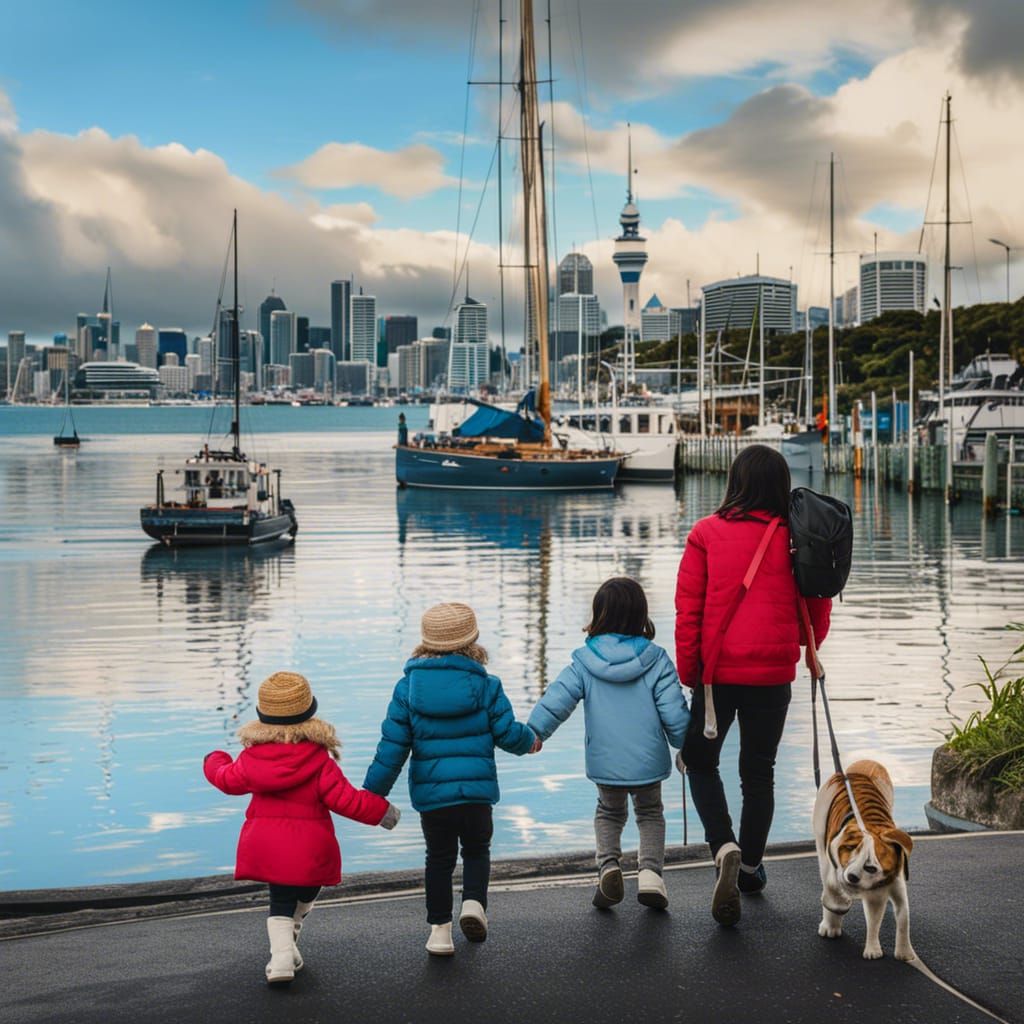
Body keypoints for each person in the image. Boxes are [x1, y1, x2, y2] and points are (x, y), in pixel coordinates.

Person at [675, 444, 830, 928]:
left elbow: (689, 612)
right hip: (773, 674)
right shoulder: (796, 538)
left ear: (735, 481)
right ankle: (748, 868)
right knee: (759, 771)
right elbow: (817, 609)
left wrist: (689, 672)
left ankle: (722, 844)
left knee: (700, 762)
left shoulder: (706, 533)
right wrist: (804, 649)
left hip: (717, 675)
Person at [363, 602, 539, 956]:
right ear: (473, 641)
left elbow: (392, 747)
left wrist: (372, 793)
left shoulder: (407, 689)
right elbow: (506, 733)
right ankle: (473, 903)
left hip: (433, 799)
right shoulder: (487, 686)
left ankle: (439, 932)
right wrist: (530, 741)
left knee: (439, 859)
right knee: (476, 851)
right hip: (476, 793)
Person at [204, 671, 400, 985]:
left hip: (265, 845)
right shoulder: (319, 760)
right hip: (310, 848)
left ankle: (285, 951)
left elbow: (225, 779)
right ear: (310, 713)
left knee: (280, 899)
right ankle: (283, 952)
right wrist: (384, 813)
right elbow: (347, 800)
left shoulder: (251, 758)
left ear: (262, 717)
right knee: (302, 894)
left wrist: (214, 758)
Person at [528, 577, 690, 911]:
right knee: (649, 813)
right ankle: (650, 875)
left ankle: (609, 867)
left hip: (606, 762)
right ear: (641, 615)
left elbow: (557, 700)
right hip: (647, 762)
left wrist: (535, 732)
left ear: (598, 615)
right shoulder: (656, 660)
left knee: (608, 813)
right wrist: (686, 746)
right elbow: (673, 711)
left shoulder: (585, 662)